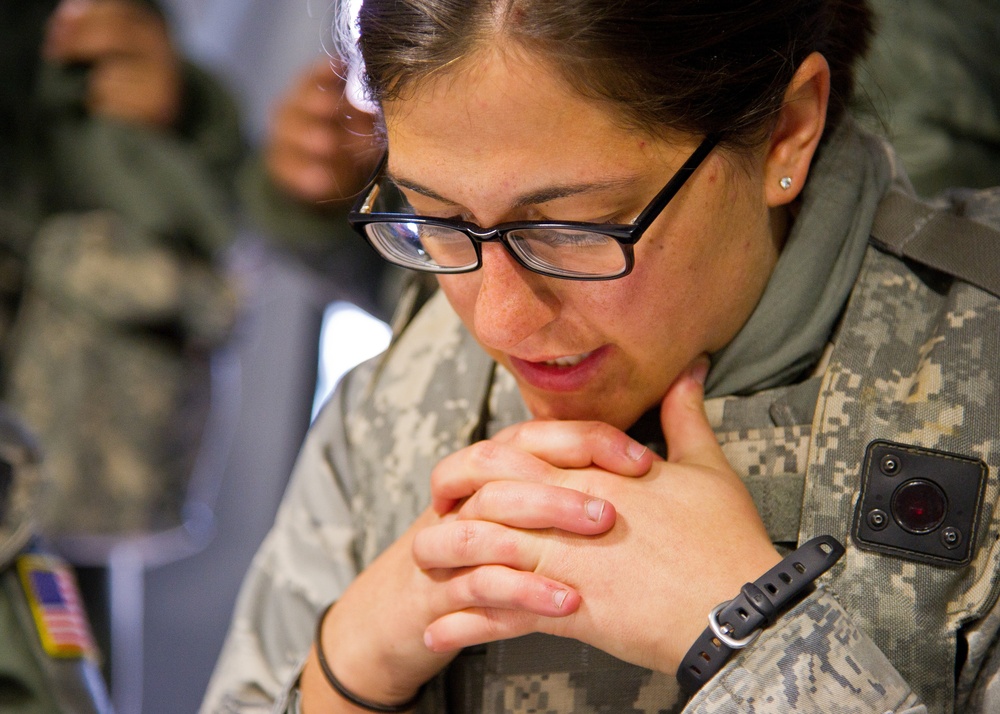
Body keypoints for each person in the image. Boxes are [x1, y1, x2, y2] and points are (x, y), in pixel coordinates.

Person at [202, 1, 1000, 712]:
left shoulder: (976, 372)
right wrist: (342, 675)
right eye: (435, 217)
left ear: (786, 130)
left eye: (572, 230)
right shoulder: (398, 397)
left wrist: (757, 647)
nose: (502, 324)